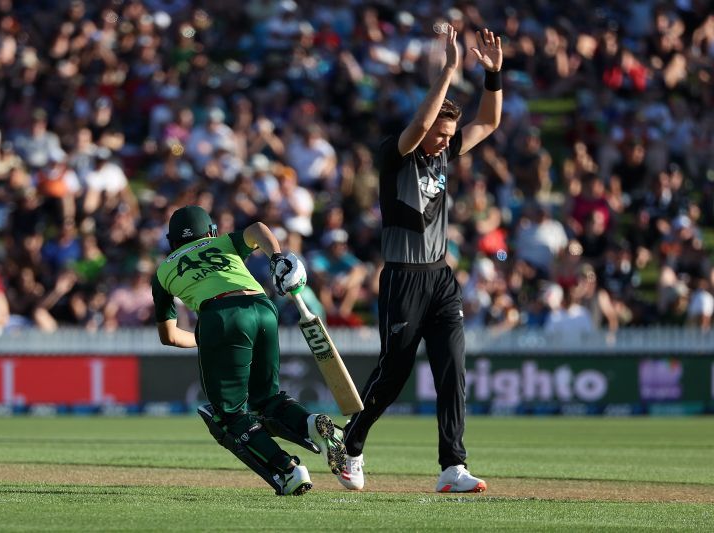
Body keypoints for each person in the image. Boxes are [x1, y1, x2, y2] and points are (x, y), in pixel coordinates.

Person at [338, 24, 503, 493]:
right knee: (393, 372)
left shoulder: (443, 154)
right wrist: (450, 70)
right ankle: (350, 446)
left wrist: (493, 75)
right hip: (402, 278)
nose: (443, 142)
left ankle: (453, 467)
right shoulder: (397, 153)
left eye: (448, 136)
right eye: (439, 134)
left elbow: (489, 123)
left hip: (440, 279)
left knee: (453, 369)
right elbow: (417, 130)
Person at [151, 205, 346, 496]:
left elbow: (169, 335)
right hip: (262, 307)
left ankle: (288, 470)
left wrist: (207, 338)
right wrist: (277, 257)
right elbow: (258, 229)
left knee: (226, 416)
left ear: (172, 241)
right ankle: (311, 425)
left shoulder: (163, 270)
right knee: (268, 399)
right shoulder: (222, 241)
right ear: (211, 231)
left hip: (219, 314)